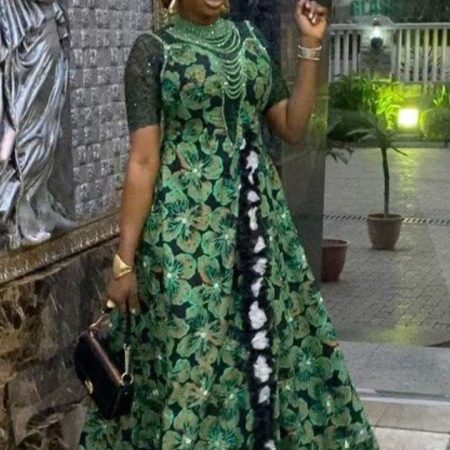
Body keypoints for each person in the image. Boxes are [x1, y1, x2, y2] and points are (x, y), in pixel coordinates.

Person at [79, 0, 380, 448]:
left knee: (266, 351)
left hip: (260, 229)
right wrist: (124, 262)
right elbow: (142, 160)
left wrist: (310, 46)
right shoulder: (153, 52)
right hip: (184, 239)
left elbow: (292, 126)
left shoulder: (251, 41)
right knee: (190, 357)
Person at [0, 0, 72, 248]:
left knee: (46, 127)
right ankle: (20, 208)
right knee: (28, 124)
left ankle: (41, 205)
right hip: (25, 33)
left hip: (44, 28)